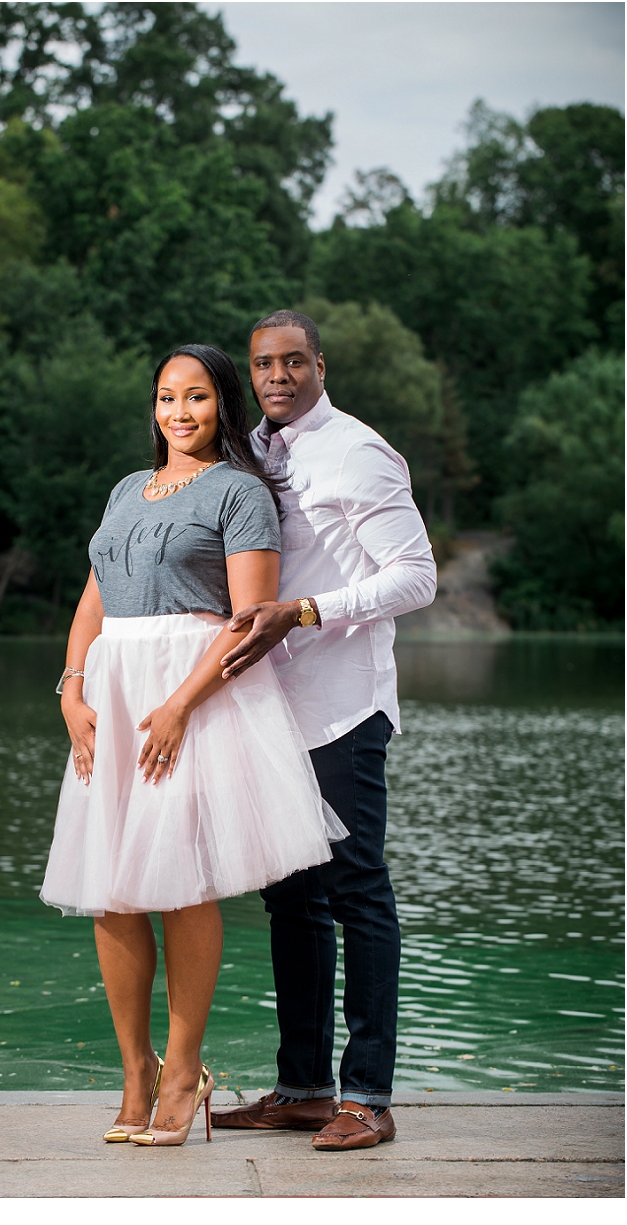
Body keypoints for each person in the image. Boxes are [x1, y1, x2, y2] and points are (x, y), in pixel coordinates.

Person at [40, 344, 344, 1148]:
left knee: (179, 883)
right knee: (109, 888)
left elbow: (249, 622)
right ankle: (134, 1073)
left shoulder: (241, 493)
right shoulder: (125, 491)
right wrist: (71, 689)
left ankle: (183, 1072)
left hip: (195, 696)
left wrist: (178, 705)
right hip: (112, 695)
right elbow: (92, 601)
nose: (181, 412)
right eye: (168, 397)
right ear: (153, 407)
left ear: (223, 407)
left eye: (199, 397)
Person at [210, 310, 436, 1152]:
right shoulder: (257, 452)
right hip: (272, 707)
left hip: (343, 704)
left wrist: (306, 611)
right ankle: (303, 1088)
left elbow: (417, 578)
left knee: (357, 892)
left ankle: (368, 1096)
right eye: (264, 363)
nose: (277, 375)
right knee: (290, 899)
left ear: (319, 365)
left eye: (293, 361)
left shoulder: (358, 451)